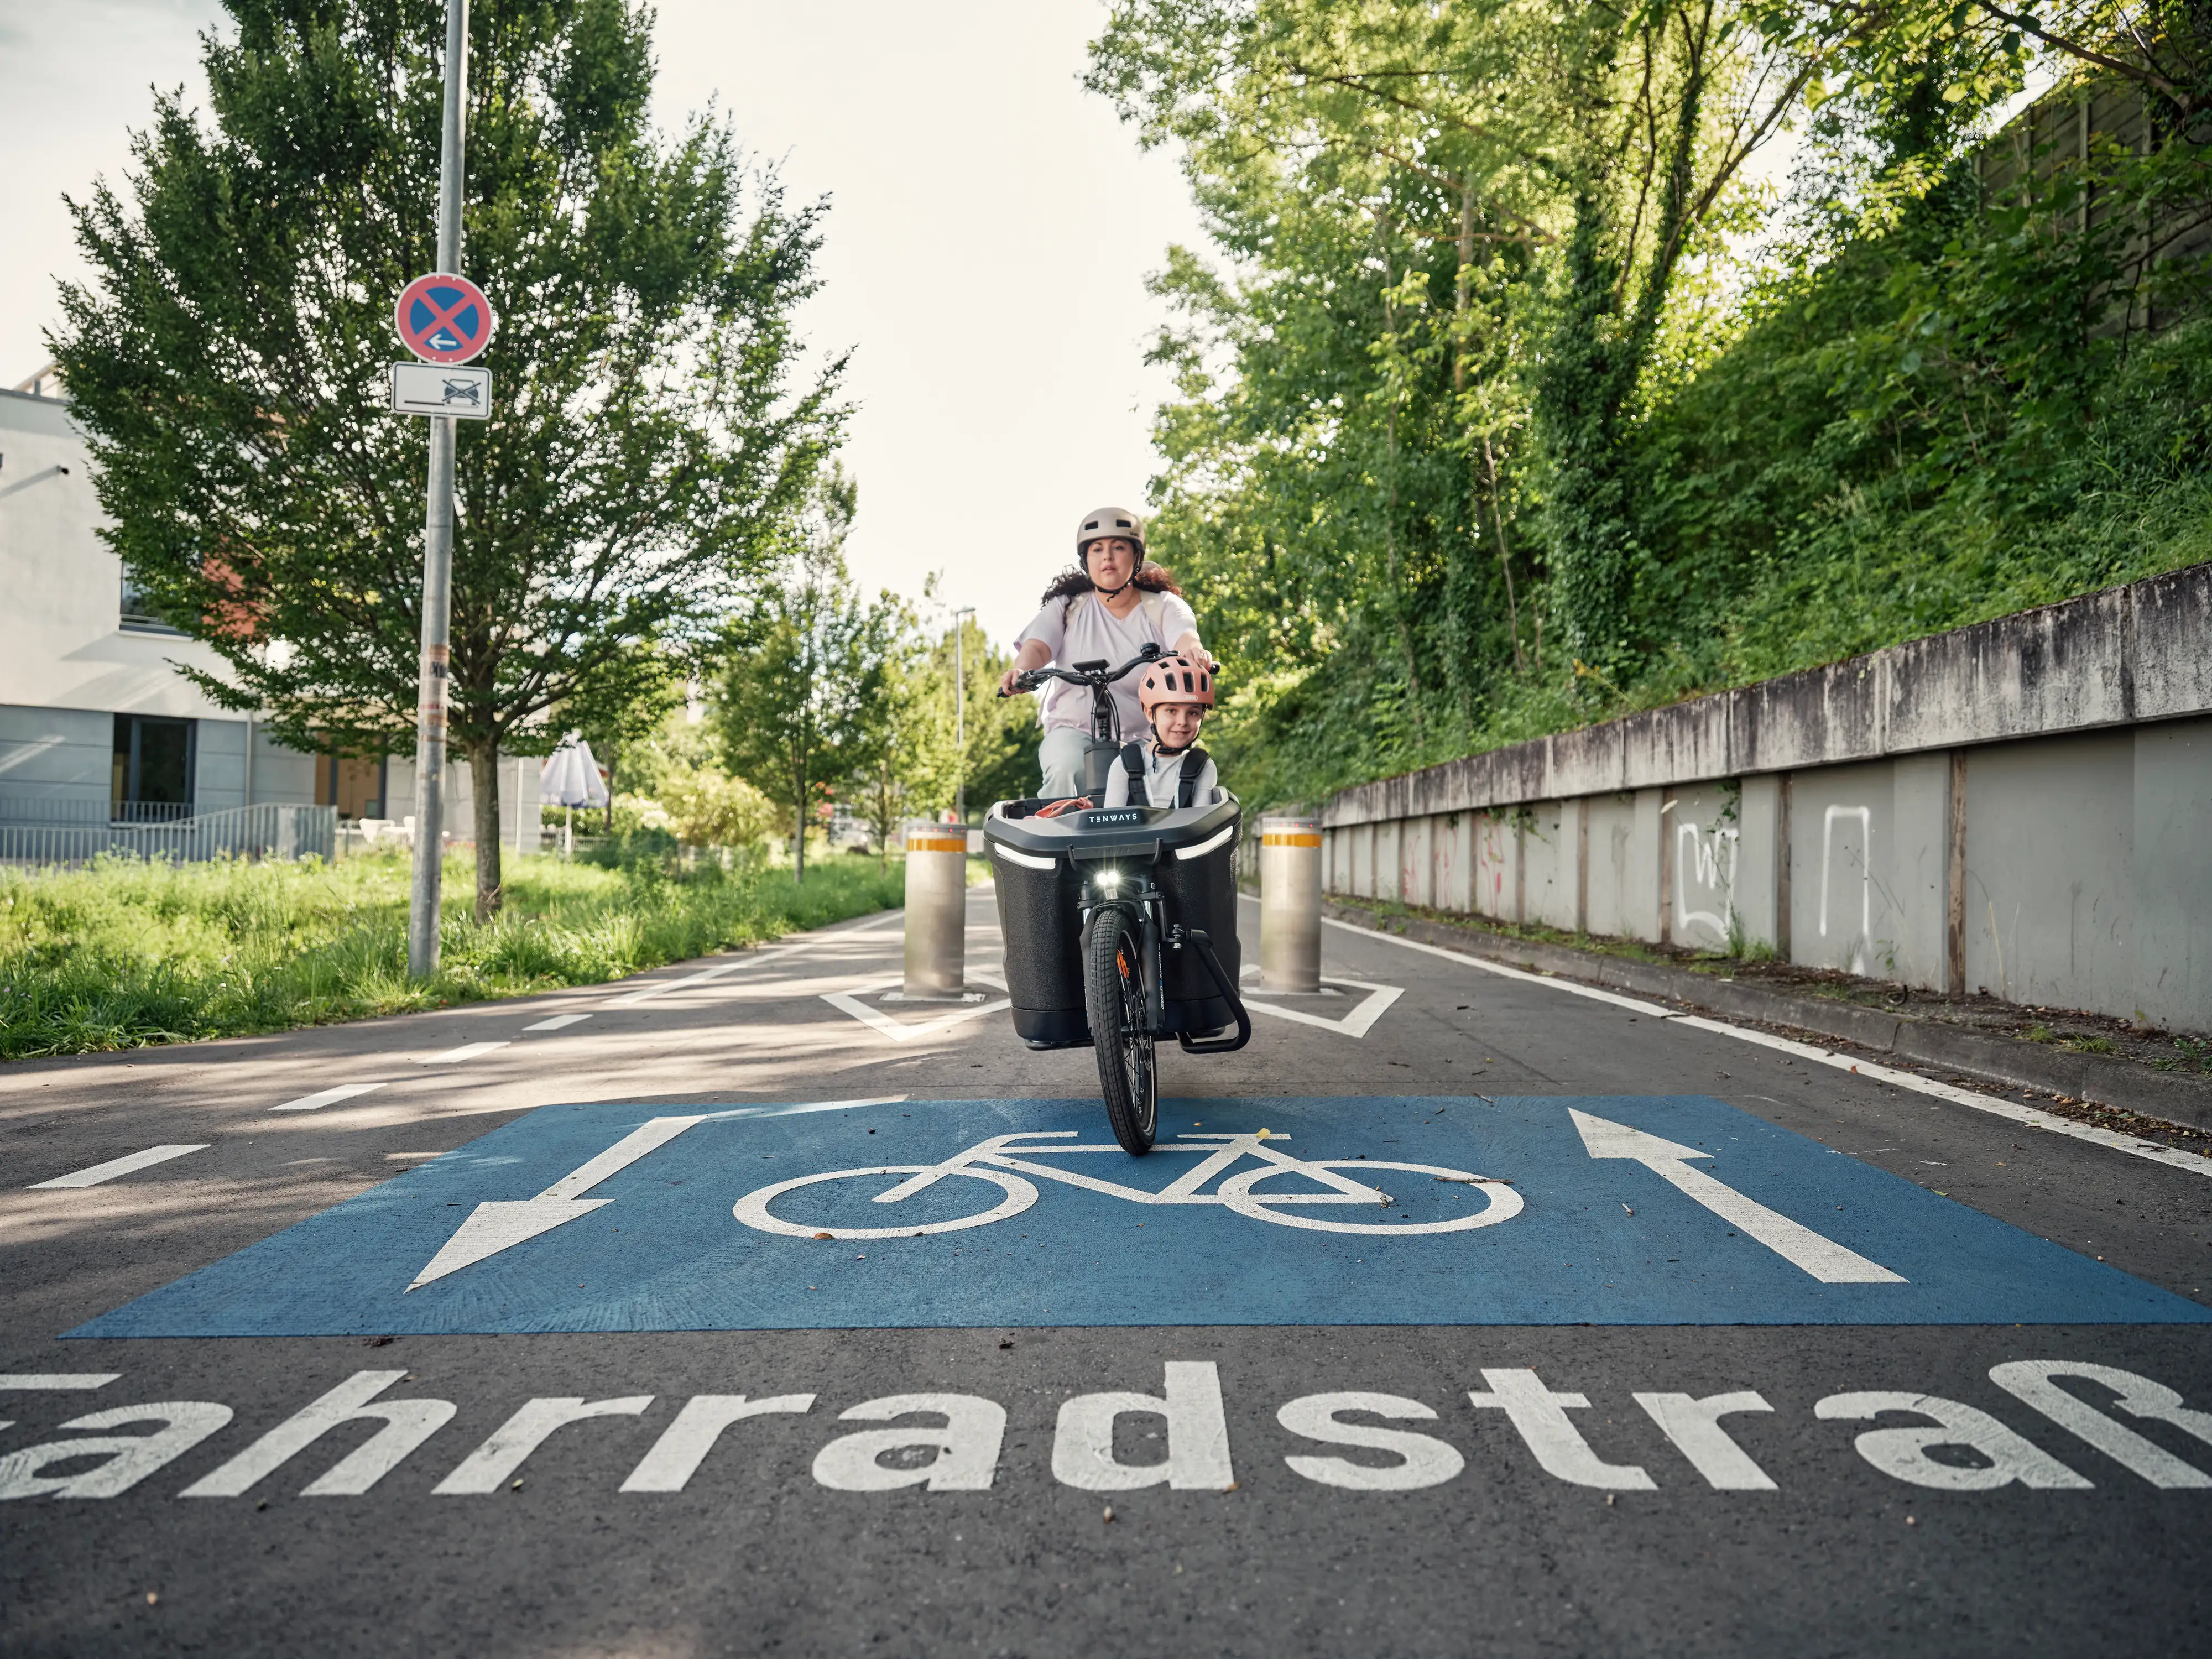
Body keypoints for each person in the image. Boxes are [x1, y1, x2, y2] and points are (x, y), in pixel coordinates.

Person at [1000, 506, 1212, 797]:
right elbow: (1037, 646)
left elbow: (1185, 636)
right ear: (1086, 560)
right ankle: (1060, 835)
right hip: (1073, 730)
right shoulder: (1068, 607)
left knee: (1155, 786)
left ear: (1136, 557)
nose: (1108, 557)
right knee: (1065, 767)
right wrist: (1022, 671)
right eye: (1097, 549)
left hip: (1144, 737)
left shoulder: (1162, 606)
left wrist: (1194, 653)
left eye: (1118, 547)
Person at [1102, 653, 1219, 809]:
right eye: (1171, 711)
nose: (1182, 722)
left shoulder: (1203, 767)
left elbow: (1203, 822)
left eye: (1193, 713)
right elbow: (1111, 825)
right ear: (1151, 714)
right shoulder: (1124, 765)